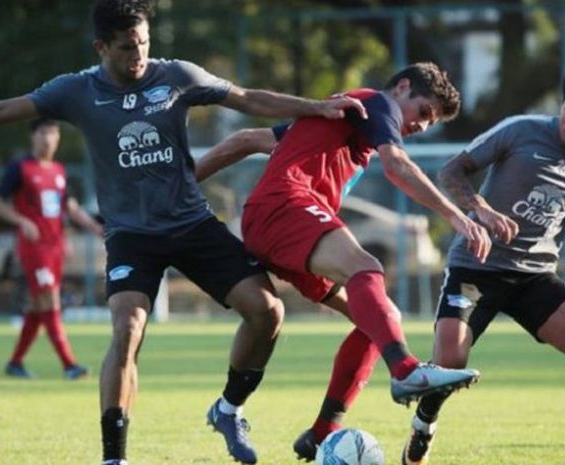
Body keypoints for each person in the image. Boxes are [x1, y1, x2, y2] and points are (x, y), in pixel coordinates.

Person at [0, 1, 384, 464]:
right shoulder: (74, 91)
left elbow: (248, 98)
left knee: (267, 311)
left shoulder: (176, 76)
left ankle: (229, 409)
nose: (139, 55)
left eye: (145, 44)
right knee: (128, 330)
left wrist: (317, 107)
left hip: (192, 224)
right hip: (132, 235)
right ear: (101, 47)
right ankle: (115, 457)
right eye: (128, 47)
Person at [195, 62, 492, 461]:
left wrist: (181, 184)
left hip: (279, 221)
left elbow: (248, 139)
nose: (422, 126)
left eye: (431, 122)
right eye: (423, 112)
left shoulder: (342, 121)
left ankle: (321, 434)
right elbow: (398, 166)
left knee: (380, 317)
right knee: (366, 267)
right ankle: (405, 370)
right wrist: (456, 215)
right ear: (402, 88)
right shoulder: (375, 104)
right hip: (282, 208)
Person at [401, 58, 565, 465]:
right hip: (475, 266)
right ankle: (424, 425)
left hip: (534, 276)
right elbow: (452, 171)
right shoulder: (520, 130)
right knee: (451, 360)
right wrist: (480, 209)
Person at [0, 118, 103, 380]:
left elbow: (70, 208)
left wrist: (95, 228)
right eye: (43, 133)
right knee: (49, 301)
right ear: (33, 137)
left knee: (37, 306)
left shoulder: (59, 170)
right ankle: (69, 365)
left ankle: (15, 362)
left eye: (53, 134)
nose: (48, 139)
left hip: (55, 249)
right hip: (34, 248)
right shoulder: (20, 168)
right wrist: (22, 220)